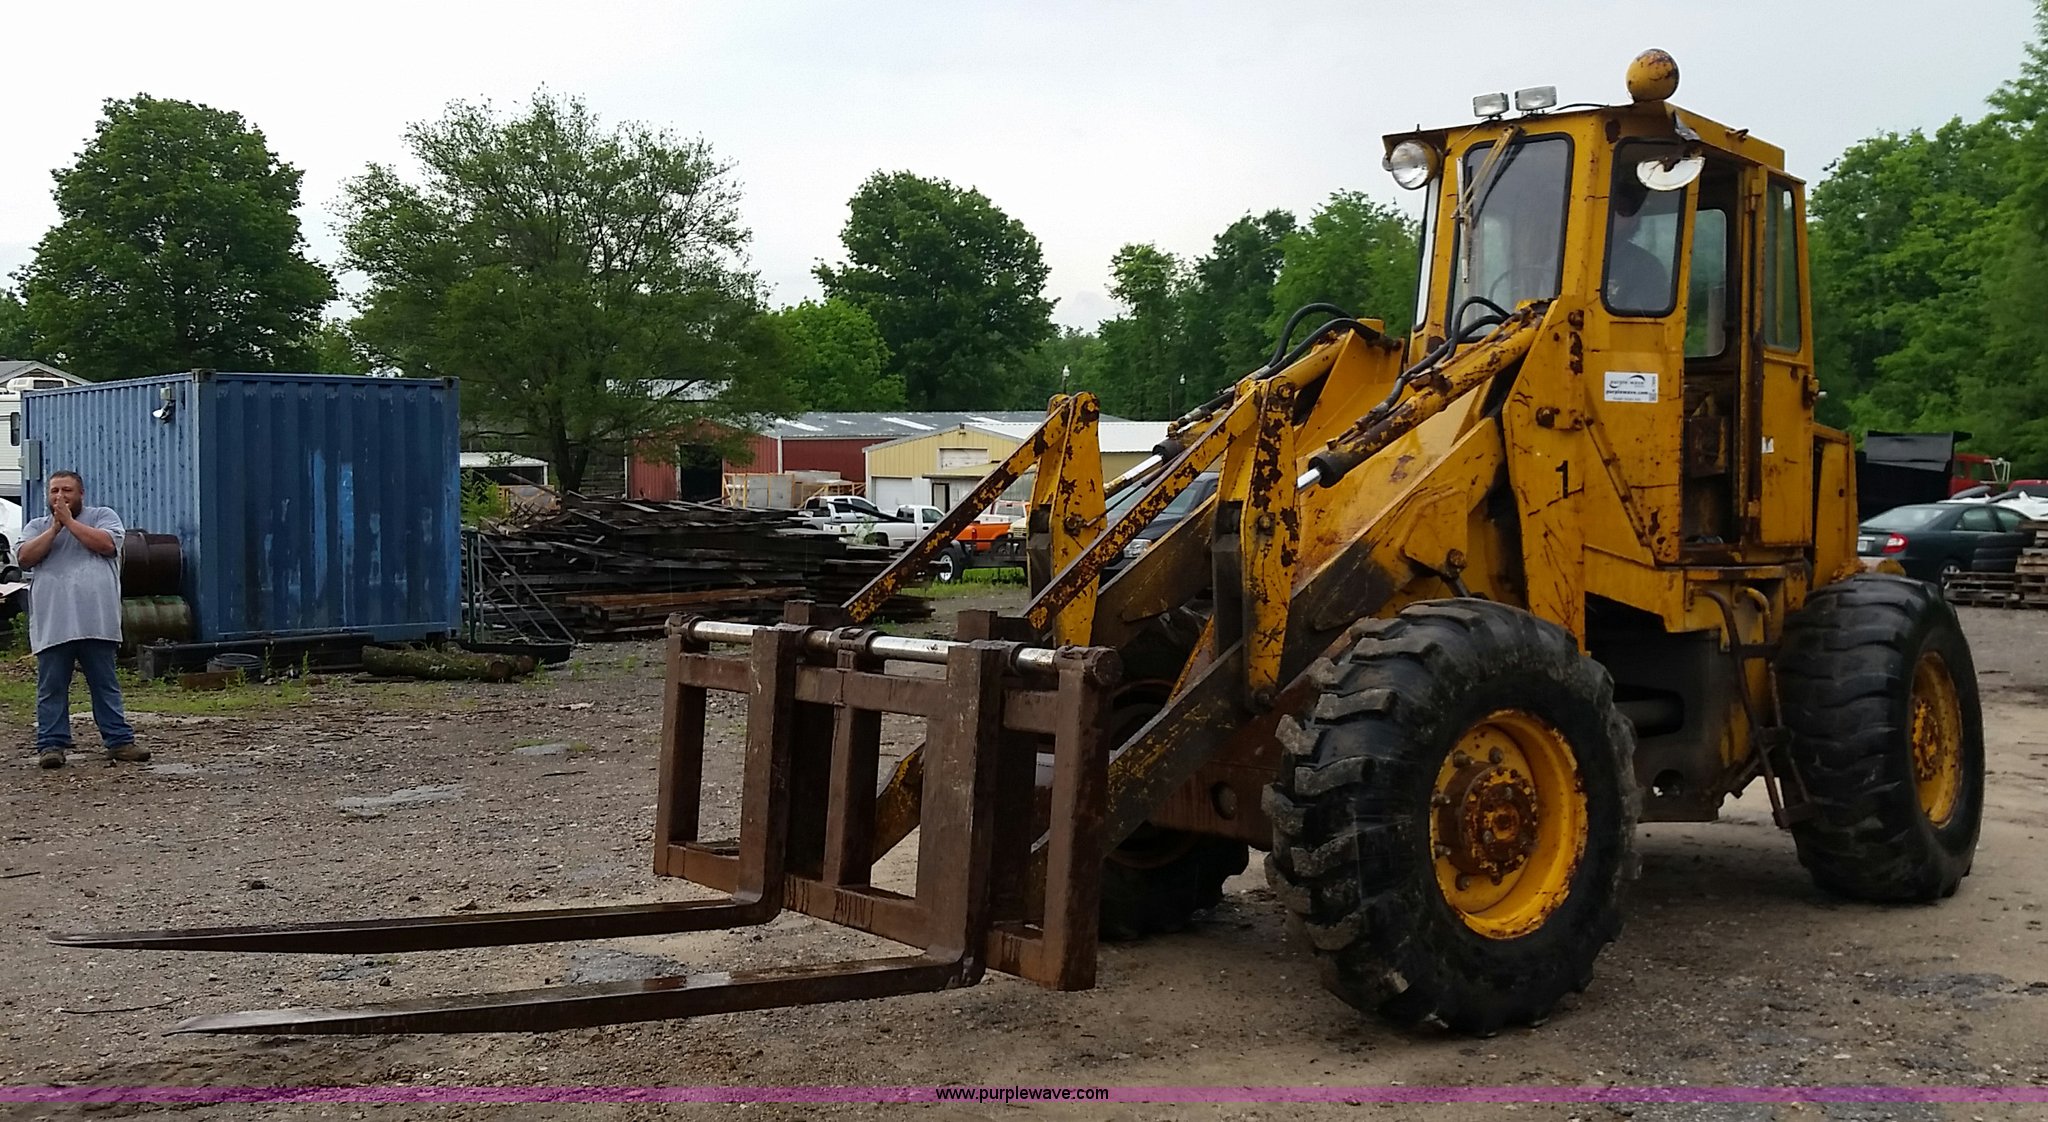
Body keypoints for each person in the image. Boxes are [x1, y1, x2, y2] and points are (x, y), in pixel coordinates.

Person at [18, 471, 145, 769]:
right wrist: (55, 528)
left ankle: (119, 741)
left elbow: (106, 545)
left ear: (81, 494)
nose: (59, 497)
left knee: (105, 685)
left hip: (96, 622)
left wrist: (70, 523)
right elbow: (25, 557)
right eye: (54, 491)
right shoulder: (36, 526)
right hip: (53, 624)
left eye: (67, 491)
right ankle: (51, 745)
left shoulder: (103, 516)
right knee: (51, 687)